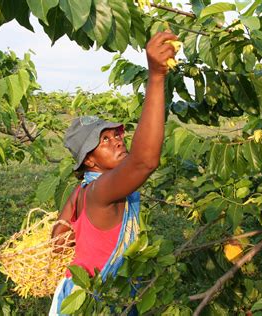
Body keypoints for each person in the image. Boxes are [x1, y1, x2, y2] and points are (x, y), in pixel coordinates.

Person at [49, 30, 178, 315]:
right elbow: (144, 162)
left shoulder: (82, 189)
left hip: (74, 299)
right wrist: (156, 76)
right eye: (103, 140)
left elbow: (59, 235)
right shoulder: (101, 191)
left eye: (116, 134)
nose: (118, 140)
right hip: (95, 305)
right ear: (90, 162)